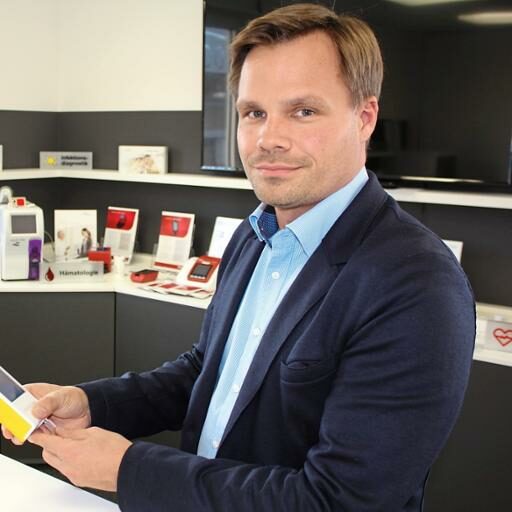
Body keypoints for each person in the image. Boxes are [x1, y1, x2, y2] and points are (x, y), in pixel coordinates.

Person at [2, 4, 475, 511]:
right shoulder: (256, 235)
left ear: (364, 118)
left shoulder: (418, 285)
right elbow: (207, 373)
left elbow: (339, 501)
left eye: (303, 111)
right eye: (253, 113)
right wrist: (93, 404)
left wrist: (128, 469)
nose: (268, 139)